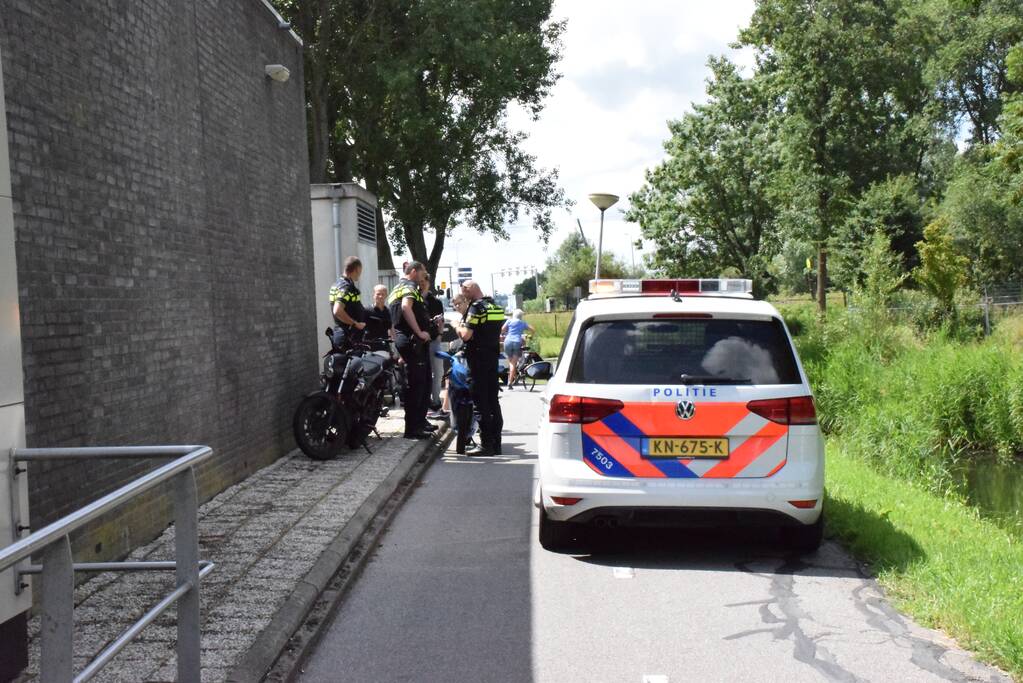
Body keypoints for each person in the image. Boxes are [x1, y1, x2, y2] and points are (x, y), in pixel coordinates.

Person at [388, 261, 437, 439]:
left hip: (409, 341)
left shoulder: (397, 288)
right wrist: (419, 332)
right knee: (416, 385)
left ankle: (420, 422)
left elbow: (393, 320)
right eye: (423, 272)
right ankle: (413, 428)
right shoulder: (409, 286)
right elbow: (405, 308)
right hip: (412, 340)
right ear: (414, 271)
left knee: (422, 382)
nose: (424, 276)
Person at [457, 280, 505, 456]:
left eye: (464, 291)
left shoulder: (476, 308)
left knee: (479, 402)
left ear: (471, 290)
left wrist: (457, 327)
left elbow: (466, 335)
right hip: (492, 359)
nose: (463, 295)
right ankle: (496, 443)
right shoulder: (495, 307)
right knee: (493, 401)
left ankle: (486, 444)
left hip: (477, 359)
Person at [422, 275, 448, 419]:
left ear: (428, 283)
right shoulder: (413, 299)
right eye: (419, 282)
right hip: (419, 343)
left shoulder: (436, 302)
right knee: (423, 374)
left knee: (438, 372)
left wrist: (439, 335)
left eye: (423, 282)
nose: (421, 284)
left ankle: (436, 401)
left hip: (433, 341)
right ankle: (425, 403)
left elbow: (441, 320)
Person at [328, 256, 366, 350]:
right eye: (360, 271)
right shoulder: (346, 287)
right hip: (348, 337)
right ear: (357, 269)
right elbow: (337, 310)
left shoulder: (337, 284)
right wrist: (355, 323)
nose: (360, 274)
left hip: (343, 334)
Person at [501, 309, 536, 389]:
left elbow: (502, 330)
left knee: (511, 362)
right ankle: (510, 382)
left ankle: (513, 377)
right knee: (513, 363)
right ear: (521, 316)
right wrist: (531, 336)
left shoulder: (509, 321)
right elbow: (533, 329)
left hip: (507, 342)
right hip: (517, 342)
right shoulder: (522, 323)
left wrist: (504, 334)